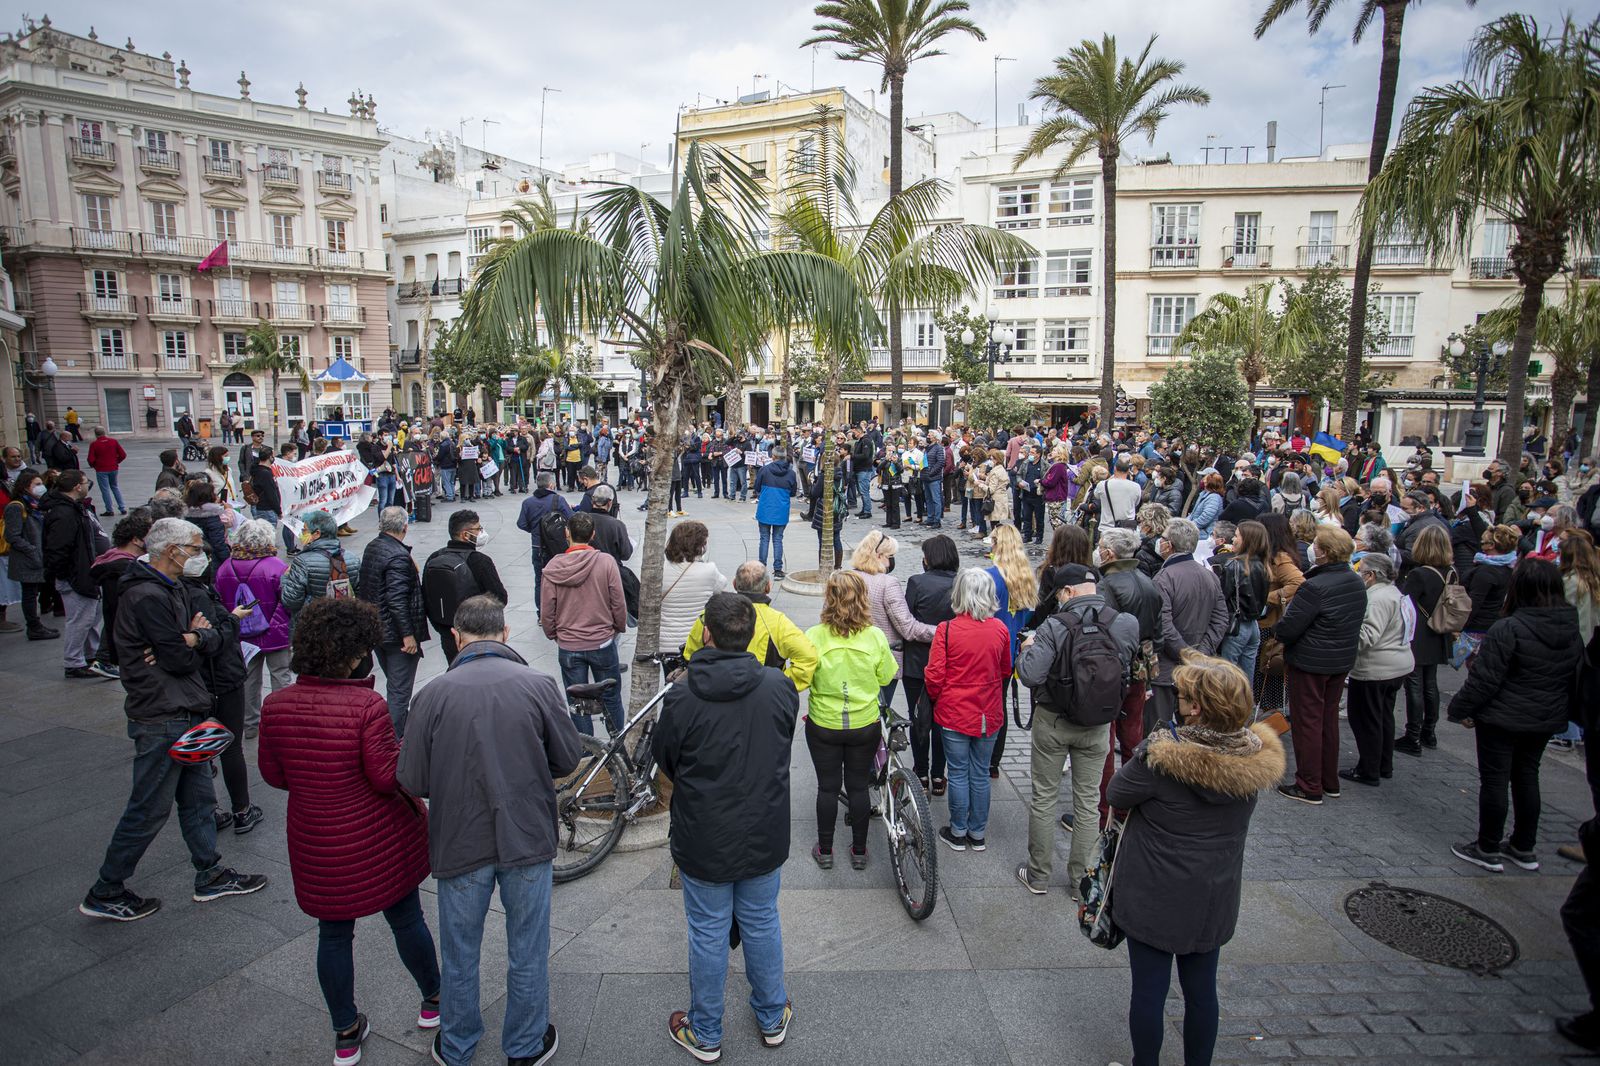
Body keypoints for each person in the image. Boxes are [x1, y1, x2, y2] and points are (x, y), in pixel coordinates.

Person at [398, 595, 582, 1066]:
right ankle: (524, 1046)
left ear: (457, 637)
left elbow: (413, 780)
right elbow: (566, 759)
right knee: (528, 947)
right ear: (503, 634)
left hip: (460, 838)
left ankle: (457, 1046)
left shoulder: (432, 695)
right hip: (526, 837)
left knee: (460, 952)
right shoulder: (538, 685)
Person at [257, 596, 440, 1065]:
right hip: (376, 837)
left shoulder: (276, 705)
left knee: (333, 934)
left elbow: (275, 776)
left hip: (316, 836)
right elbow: (386, 777)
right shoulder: (366, 705)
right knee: (407, 919)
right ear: (355, 652)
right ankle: (434, 1001)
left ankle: (345, 1030)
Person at [79, 517, 268, 921]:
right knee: (149, 805)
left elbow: (212, 635)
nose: (201, 555)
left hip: (186, 707)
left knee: (198, 796)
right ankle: (107, 887)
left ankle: (210, 871)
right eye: (196, 548)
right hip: (163, 713)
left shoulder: (174, 588)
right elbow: (182, 655)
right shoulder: (147, 595)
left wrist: (196, 638)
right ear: (172, 550)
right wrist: (193, 640)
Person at [1107, 653, 1286, 1066]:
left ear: (1198, 708)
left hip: (1155, 891)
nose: (1177, 700)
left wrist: (1155, 746)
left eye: (1184, 696)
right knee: (1202, 991)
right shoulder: (1251, 761)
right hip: (1214, 893)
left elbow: (1117, 795)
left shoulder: (1161, 758)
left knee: (1149, 992)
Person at [653, 592, 797, 1061]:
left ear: (707, 634)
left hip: (704, 833)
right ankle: (772, 1016)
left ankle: (707, 1031)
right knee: (760, 921)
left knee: (708, 930)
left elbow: (666, 760)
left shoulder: (682, 695)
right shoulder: (778, 686)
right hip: (763, 828)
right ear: (754, 634)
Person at [1448, 560, 1583, 872]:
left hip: (1504, 716)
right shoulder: (1569, 626)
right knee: (1526, 777)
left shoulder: (1509, 628)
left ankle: (1488, 845)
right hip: (1543, 716)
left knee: (1496, 780)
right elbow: (1572, 674)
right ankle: (1524, 845)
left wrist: (1459, 709)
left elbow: (1485, 679)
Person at [1014, 562, 1138, 896]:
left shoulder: (1055, 625)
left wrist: (1026, 650)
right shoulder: (1124, 623)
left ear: (1067, 592)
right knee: (1088, 801)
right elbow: (1124, 667)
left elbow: (1030, 675)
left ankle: (1038, 874)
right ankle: (1081, 880)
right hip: (1099, 724)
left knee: (1044, 797)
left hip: (1054, 720)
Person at [801, 571, 896, 870]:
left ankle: (825, 849)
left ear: (829, 598)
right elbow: (886, 676)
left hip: (824, 722)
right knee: (857, 787)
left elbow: (804, 678)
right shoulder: (875, 636)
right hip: (863, 723)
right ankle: (859, 850)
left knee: (827, 787)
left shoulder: (814, 635)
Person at [1274, 525, 1367, 804]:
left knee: (1308, 722)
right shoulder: (1354, 581)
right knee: (1326, 721)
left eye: (1316, 544)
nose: (1312, 547)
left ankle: (1309, 783)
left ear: (1324, 552)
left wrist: (1281, 631)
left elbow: (1289, 627)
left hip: (1312, 661)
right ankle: (1328, 780)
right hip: (1339, 660)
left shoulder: (1315, 587)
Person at [925, 567, 1013, 852]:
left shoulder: (947, 630)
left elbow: (935, 675)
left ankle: (959, 828)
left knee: (959, 772)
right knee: (980, 772)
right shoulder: (999, 629)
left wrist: (937, 697)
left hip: (955, 711)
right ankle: (977, 832)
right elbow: (1005, 669)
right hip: (988, 712)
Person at [1094, 527, 1163, 822]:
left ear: (1109, 553)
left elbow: (1102, 628)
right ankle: (1127, 800)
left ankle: (1106, 807)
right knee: (1132, 731)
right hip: (1140, 663)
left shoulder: (1108, 585)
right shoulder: (1147, 581)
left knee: (1105, 738)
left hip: (1115, 666)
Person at [541, 512, 628, 736]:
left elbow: (547, 609)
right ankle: (617, 745)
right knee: (611, 696)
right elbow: (618, 601)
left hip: (569, 645)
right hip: (602, 641)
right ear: (592, 535)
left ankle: (587, 751)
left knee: (577, 701)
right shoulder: (606, 562)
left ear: (567, 533)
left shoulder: (554, 567)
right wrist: (617, 626)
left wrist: (553, 634)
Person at [1339, 553, 1416, 787]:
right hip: (1395, 664)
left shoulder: (1378, 598)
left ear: (1371, 575)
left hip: (1378, 667)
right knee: (1382, 716)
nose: (1357, 573)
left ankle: (1369, 768)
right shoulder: (1394, 593)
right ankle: (1383, 763)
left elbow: (1368, 635)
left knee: (1366, 719)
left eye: (1361, 570)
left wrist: (1342, 636)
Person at [684, 561, 817, 692]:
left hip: (712, 691)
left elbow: (690, 654)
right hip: (761, 698)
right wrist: (778, 684)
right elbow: (808, 657)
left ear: (734, 584)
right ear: (768, 587)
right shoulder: (778, 622)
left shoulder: (711, 614)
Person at [215, 519, 293, 739]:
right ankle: (282, 721)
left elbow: (219, 600)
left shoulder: (225, 567)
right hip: (275, 632)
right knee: (280, 675)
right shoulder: (276, 566)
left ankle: (250, 724)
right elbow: (287, 600)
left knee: (249, 678)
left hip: (242, 634)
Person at [1149, 518, 1229, 730]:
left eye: (1163, 538)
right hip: (1196, 668)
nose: (1160, 542)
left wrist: (1187, 653)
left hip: (1167, 672)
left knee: (1159, 733)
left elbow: (1162, 625)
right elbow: (1220, 619)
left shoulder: (1164, 578)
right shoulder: (1208, 575)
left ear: (1170, 545)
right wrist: (1199, 652)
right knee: (1192, 729)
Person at [357, 506, 430, 736]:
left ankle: (399, 731)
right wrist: (407, 634)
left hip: (378, 629)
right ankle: (395, 739)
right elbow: (396, 599)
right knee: (399, 692)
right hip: (395, 634)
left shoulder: (374, 546)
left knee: (395, 685)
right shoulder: (398, 555)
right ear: (405, 528)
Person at [41, 470, 113, 679]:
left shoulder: (72, 508)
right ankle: (73, 661)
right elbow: (58, 549)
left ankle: (89, 654)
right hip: (75, 574)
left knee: (91, 615)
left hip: (84, 571)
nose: (87, 485)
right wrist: (68, 575)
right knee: (80, 619)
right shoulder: (63, 513)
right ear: (76, 487)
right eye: (84, 482)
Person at [904, 535, 959, 795]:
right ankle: (938, 775)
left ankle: (921, 771)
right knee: (942, 721)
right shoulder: (960, 583)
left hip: (917, 663)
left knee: (918, 719)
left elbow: (907, 620)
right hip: (950, 663)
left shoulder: (917, 582)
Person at [983, 523, 1038, 775]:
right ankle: (995, 761)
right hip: (1010, 650)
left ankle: (983, 755)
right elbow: (1027, 618)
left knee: (984, 703)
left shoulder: (990, 577)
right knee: (1001, 704)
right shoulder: (1024, 577)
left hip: (988, 651)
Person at [1396, 524, 1454, 756]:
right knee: (1430, 684)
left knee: (1415, 685)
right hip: (1438, 632)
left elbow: (1404, 602)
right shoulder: (1450, 571)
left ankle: (1413, 735)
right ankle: (1429, 731)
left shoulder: (1420, 574)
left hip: (1419, 633)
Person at [423, 509, 508, 663]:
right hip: (478, 635)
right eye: (478, 529)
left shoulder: (434, 557)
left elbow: (427, 597)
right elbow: (500, 598)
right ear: (465, 534)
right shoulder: (480, 561)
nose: (482, 532)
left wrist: (444, 629)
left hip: (448, 633)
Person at [1212, 520, 1270, 686]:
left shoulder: (1235, 565)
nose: (1233, 540)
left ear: (1247, 541)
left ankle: (1226, 710)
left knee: (1227, 675)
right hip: (1253, 626)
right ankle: (1245, 709)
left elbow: (1221, 596)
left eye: (1236, 536)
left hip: (1236, 626)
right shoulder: (1263, 564)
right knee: (1246, 676)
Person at [659, 521, 729, 656]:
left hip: (666, 643)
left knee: (672, 676)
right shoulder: (709, 570)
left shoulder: (660, 569)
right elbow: (721, 585)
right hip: (696, 640)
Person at [4, 468, 56, 641]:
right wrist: (31, 550)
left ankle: (35, 625)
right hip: (27, 558)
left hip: (35, 556)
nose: (42, 487)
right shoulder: (16, 506)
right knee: (29, 593)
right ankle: (33, 627)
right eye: (38, 484)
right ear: (26, 487)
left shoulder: (33, 504)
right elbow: (12, 535)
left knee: (32, 592)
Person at [516, 471, 575, 619]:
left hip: (537, 547)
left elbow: (521, 524)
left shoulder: (527, 502)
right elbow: (571, 519)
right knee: (560, 578)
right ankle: (559, 611)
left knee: (539, 580)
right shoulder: (558, 500)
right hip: (556, 547)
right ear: (551, 484)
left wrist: (535, 531)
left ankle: (542, 614)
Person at [281, 510, 357, 620]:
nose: (301, 534)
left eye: (305, 530)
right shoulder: (353, 559)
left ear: (316, 533)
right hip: (344, 623)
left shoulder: (302, 562)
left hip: (312, 625)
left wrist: (286, 577)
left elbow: (291, 601)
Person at [753, 445, 799, 580]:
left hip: (766, 507)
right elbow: (793, 492)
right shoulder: (791, 473)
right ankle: (778, 569)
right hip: (781, 509)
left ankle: (761, 567)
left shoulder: (764, 470)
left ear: (773, 456)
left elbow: (756, 487)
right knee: (778, 539)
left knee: (764, 538)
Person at [86, 426, 128, 516]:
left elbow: (90, 459)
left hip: (101, 469)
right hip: (113, 468)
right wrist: (116, 461)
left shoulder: (94, 444)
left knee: (105, 490)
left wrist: (95, 466)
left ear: (95, 434)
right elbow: (123, 454)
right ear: (104, 432)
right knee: (115, 487)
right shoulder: (113, 441)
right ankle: (122, 507)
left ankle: (109, 509)